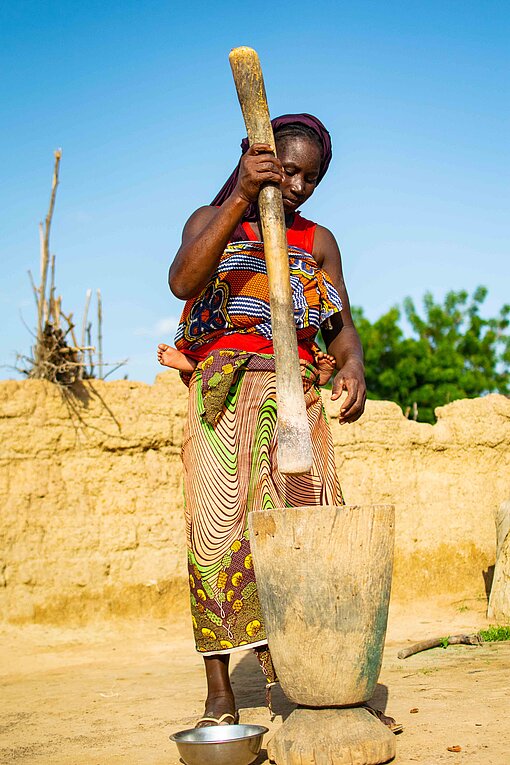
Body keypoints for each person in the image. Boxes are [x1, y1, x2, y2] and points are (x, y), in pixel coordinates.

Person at [165, 113, 399, 732]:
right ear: (255, 156)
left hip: (295, 397)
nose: (297, 185)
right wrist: (244, 192)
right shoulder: (209, 221)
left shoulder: (317, 241)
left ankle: (306, 673)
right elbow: (181, 281)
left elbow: (339, 324)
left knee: (306, 525)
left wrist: (353, 368)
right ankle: (221, 691)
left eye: (311, 177)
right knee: (216, 532)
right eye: (287, 170)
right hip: (223, 396)